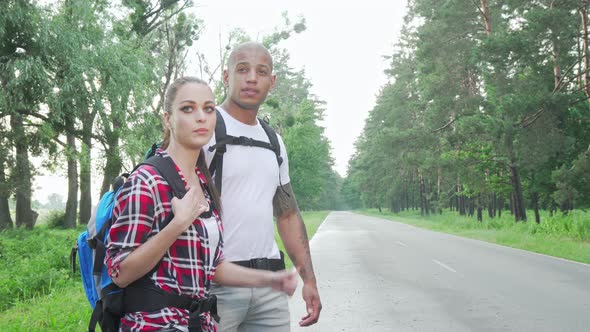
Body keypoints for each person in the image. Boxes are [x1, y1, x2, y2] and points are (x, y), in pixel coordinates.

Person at [106, 76, 297, 332]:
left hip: (199, 324)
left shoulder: (205, 185)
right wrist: (178, 224)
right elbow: (119, 273)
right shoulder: (148, 181)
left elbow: (213, 268)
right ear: (167, 119)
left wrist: (272, 279)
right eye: (188, 108)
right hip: (155, 324)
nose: (201, 117)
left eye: (208, 108)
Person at [205, 42, 322, 331]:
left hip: (270, 287)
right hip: (215, 287)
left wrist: (309, 280)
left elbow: (288, 214)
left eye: (262, 71)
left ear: (272, 81)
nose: (252, 78)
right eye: (242, 69)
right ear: (226, 76)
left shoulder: (274, 141)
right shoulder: (204, 128)